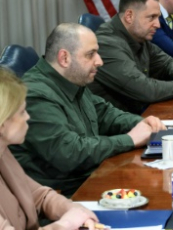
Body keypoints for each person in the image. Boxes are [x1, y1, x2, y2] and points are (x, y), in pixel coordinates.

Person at [9, 24, 165, 197]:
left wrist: (141, 123)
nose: (99, 61)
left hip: (90, 178)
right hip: (66, 196)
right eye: (90, 54)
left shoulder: (71, 79)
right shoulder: (36, 94)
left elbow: (106, 113)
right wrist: (129, 139)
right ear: (64, 58)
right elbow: (69, 153)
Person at [0, 68, 102, 229]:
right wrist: (67, 223)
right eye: (21, 112)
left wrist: (73, 209)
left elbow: (39, 195)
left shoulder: (3, 152)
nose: (28, 116)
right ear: (2, 122)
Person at [89, 0, 173, 114]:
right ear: (129, 16)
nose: (158, 25)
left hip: (138, 115)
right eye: (152, 17)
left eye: (158, 18)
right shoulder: (106, 44)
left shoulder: (139, 37)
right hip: (116, 126)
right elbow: (145, 90)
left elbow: (167, 62)